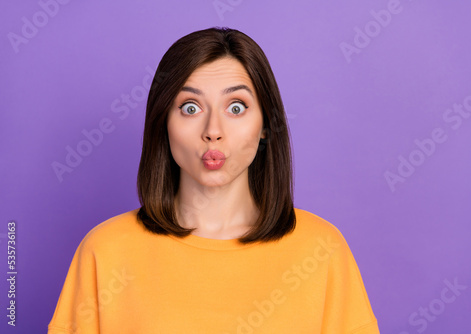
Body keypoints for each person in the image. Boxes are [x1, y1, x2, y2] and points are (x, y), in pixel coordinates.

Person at [48, 27, 380, 333]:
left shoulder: (321, 250)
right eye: (190, 108)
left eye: (236, 107)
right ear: (163, 122)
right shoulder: (105, 251)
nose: (213, 131)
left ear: (266, 124)